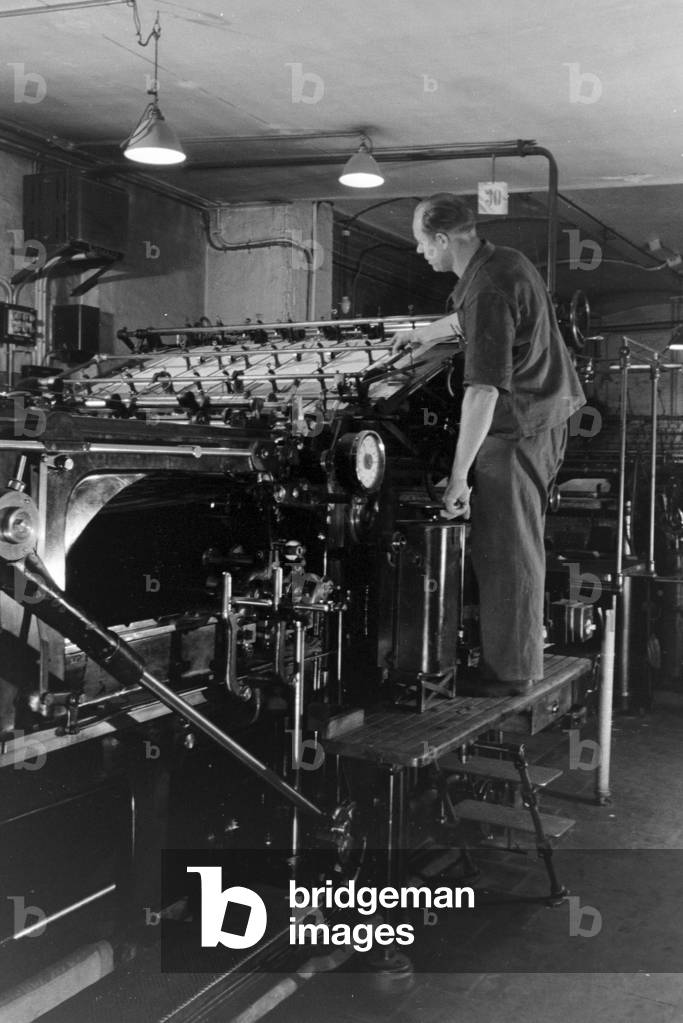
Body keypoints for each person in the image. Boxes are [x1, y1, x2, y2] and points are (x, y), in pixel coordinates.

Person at [401, 193, 585, 694]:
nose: (421, 253)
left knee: (507, 548)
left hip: (520, 426)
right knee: (506, 542)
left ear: (443, 239)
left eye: (423, 244)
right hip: (543, 413)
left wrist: (459, 478)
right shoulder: (504, 260)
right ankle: (510, 656)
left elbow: (482, 389)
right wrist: (428, 331)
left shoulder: (486, 287)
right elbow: (483, 320)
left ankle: (514, 673)